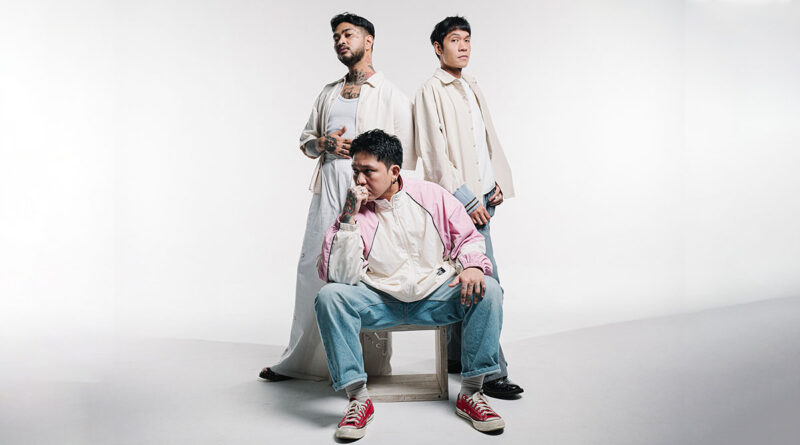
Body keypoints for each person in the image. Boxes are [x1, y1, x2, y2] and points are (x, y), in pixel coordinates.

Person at [315, 129, 506, 439]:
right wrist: (348, 217)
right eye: (355, 171)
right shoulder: (354, 211)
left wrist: (472, 266)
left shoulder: (431, 195)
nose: (359, 180)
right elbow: (340, 276)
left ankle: (471, 393)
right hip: (380, 302)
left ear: (394, 171)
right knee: (329, 296)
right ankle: (358, 399)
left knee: (490, 289)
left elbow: (468, 238)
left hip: (434, 297)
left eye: (368, 171)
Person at [259, 13, 415, 382]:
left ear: (369, 40)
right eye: (336, 37)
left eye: (348, 34)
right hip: (327, 190)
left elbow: (405, 158)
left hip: (369, 199)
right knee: (314, 269)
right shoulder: (328, 92)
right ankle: (300, 361)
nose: (340, 41)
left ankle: (365, 366)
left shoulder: (391, 94)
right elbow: (306, 142)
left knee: (364, 273)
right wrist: (324, 143)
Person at [413, 16, 523, 399]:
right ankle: (490, 372)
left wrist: (498, 183)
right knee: (488, 285)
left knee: (466, 280)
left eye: (467, 40)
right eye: (454, 40)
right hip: (460, 205)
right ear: (437, 47)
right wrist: (467, 199)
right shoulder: (430, 90)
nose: (463, 46)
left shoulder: (471, 85)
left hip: (484, 200)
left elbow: (485, 141)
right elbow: (434, 154)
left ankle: (457, 358)